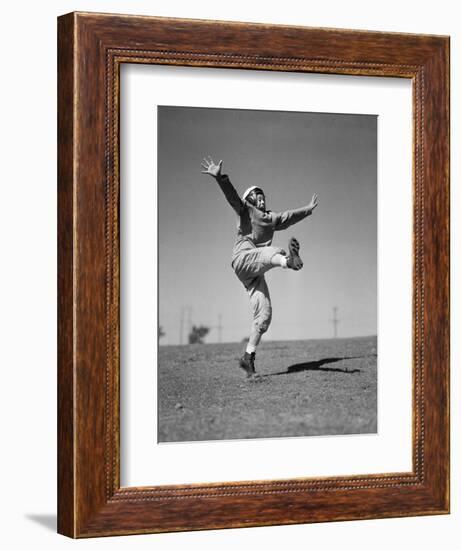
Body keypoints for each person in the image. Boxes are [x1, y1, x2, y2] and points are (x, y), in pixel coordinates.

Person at [201, 156, 319, 378]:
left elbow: (290, 216)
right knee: (273, 252)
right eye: (258, 196)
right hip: (243, 258)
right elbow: (232, 197)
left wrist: (308, 209)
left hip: (255, 271)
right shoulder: (245, 210)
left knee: (264, 314)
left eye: (263, 196)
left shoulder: (272, 218)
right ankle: (288, 261)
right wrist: (220, 178)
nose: (262, 199)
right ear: (251, 199)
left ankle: (248, 358)